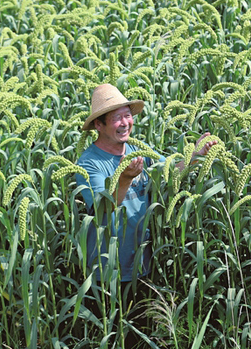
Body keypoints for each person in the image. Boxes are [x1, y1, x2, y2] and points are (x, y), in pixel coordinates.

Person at [75, 83, 217, 344]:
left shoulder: (139, 151)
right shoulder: (88, 163)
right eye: (116, 117)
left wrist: (196, 155)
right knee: (115, 337)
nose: (124, 122)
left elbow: (170, 172)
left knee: (144, 338)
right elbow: (101, 208)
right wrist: (125, 178)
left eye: (127, 115)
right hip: (108, 272)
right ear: (99, 126)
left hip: (143, 264)